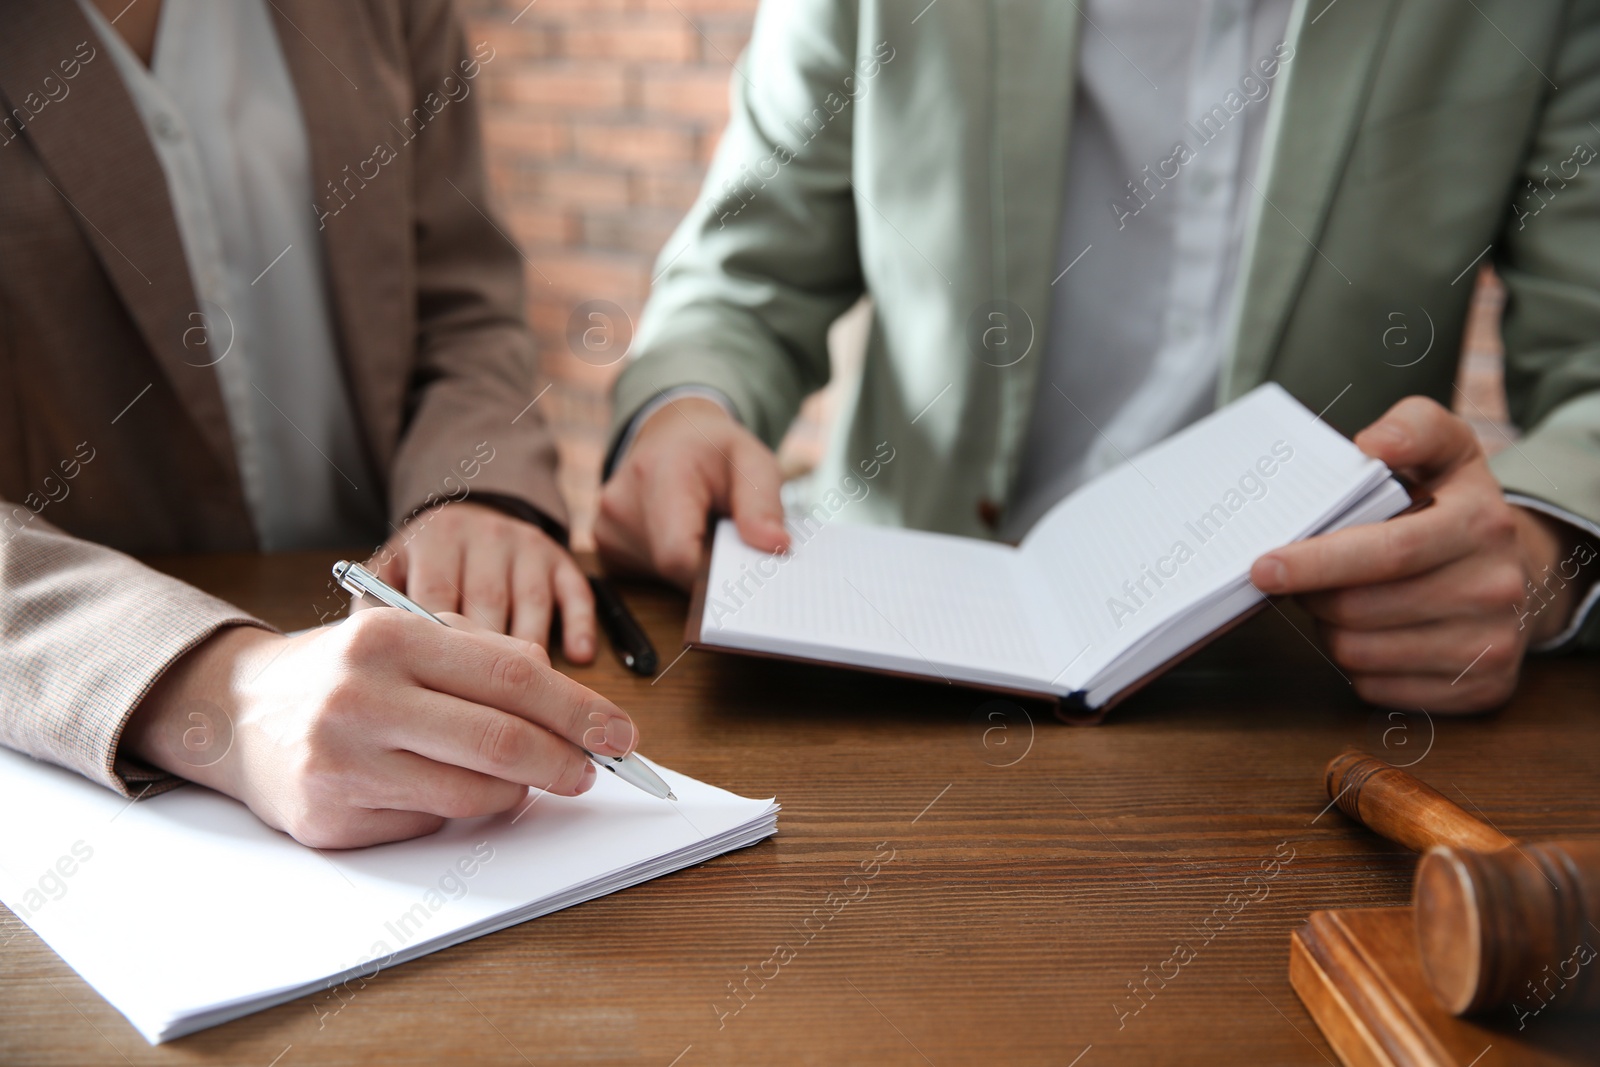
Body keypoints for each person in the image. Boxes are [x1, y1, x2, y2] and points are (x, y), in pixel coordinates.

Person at [598, 0, 1600, 713]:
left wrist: (1532, 554)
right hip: (868, 654)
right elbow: (738, 277)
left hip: (1294, 696)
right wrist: (687, 406)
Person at [0, 0, 631, 848]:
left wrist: (477, 490)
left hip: (396, 628)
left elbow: (464, 300)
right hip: (87, 761)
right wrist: (225, 690)